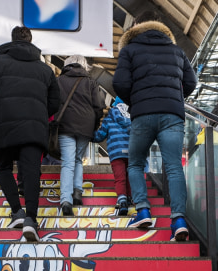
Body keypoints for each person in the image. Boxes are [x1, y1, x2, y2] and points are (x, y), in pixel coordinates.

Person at [113, 10, 197, 241]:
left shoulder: (129, 50)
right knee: (173, 167)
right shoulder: (177, 50)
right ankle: (179, 220)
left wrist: (136, 99)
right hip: (172, 115)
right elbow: (191, 82)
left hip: (142, 115)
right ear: (161, 27)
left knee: (135, 163)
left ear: (136, 27)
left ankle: (143, 210)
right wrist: (173, 99)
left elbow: (119, 83)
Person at [0, 26, 61, 242]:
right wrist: (39, 113)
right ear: (31, 41)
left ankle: (17, 212)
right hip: (34, 128)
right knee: (32, 171)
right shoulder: (45, 70)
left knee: (3, 167)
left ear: (12, 40)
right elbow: (54, 102)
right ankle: (31, 220)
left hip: (5, 123)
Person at [56, 55, 105, 216]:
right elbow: (98, 106)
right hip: (85, 126)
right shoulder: (90, 82)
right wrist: (94, 125)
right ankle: (77, 192)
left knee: (68, 162)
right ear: (84, 66)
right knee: (77, 159)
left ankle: (66, 200)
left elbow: (52, 103)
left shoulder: (59, 81)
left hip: (65, 126)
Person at [93, 96, 132, 216]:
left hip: (116, 152)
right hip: (131, 152)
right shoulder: (133, 116)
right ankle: (130, 198)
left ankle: (122, 202)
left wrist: (90, 136)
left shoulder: (110, 117)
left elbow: (100, 135)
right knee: (130, 176)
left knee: (120, 178)